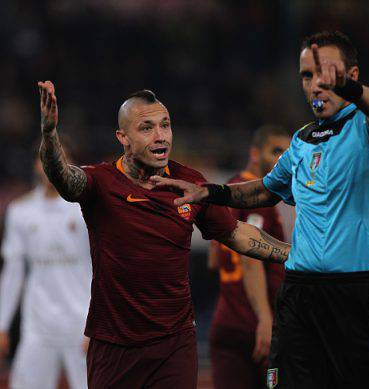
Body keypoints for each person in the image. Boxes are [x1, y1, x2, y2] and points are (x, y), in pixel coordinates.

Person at [151, 31, 369, 388]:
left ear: (352, 76)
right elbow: (264, 191)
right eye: (307, 76)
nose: (316, 85)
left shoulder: (368, 129)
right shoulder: (301, 141)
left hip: (357, 298)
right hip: (300, 298)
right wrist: (210, 192)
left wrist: (350, 91)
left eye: (326, 74)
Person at [36, 80, 290, 389]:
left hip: (174, 344)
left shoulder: (189, 182)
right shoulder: (101, 182)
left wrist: (297, 255)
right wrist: (50, 135)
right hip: (114, 345)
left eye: (165, 126)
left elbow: (235, 233)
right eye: (147, 128)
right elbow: (63, 177)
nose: (161, 137)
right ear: (123, 138)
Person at [209, 125, 291, 389]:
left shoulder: (229, 190)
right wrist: (265, 319)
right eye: (276, 151)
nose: (283, 159)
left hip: (225, 319)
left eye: (288, 153)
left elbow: (213, 258)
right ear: (255, 153)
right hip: (255, 325)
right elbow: (251, 257)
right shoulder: (258, 197)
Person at [0, 153, 91, 389]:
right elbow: (13, 272)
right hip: (38, 326)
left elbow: (104, 267)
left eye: (58, 158)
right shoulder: (21, 211)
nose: (50, 165)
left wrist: (100, 324)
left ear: (70, 164)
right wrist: (2, 324)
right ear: (36, 164)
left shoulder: (86, 210)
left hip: (81, 324)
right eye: (44, 158)